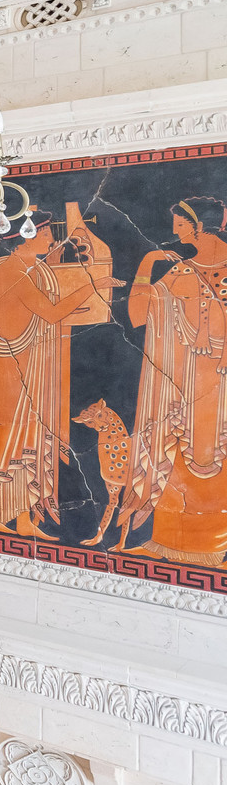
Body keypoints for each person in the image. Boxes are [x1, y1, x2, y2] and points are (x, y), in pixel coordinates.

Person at [0, 212, 120, 536]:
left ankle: (22, 519)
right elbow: (52, 312)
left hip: (19, 367)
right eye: (44, 233)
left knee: (25, 441)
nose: (51, 239)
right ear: (24, 239)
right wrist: (92, 285)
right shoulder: (11, 273)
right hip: (3, 366)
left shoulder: (25, 271)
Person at [119, 196, 227, 565]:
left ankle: (214, 546)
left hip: (219, 382)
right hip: (186, 382)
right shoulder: (182, 271)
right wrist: (147, 263)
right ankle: (169, 542)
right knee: (176, 450)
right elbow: (138, 313)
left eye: (180, 224)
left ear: (200, 226)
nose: (175, 231)